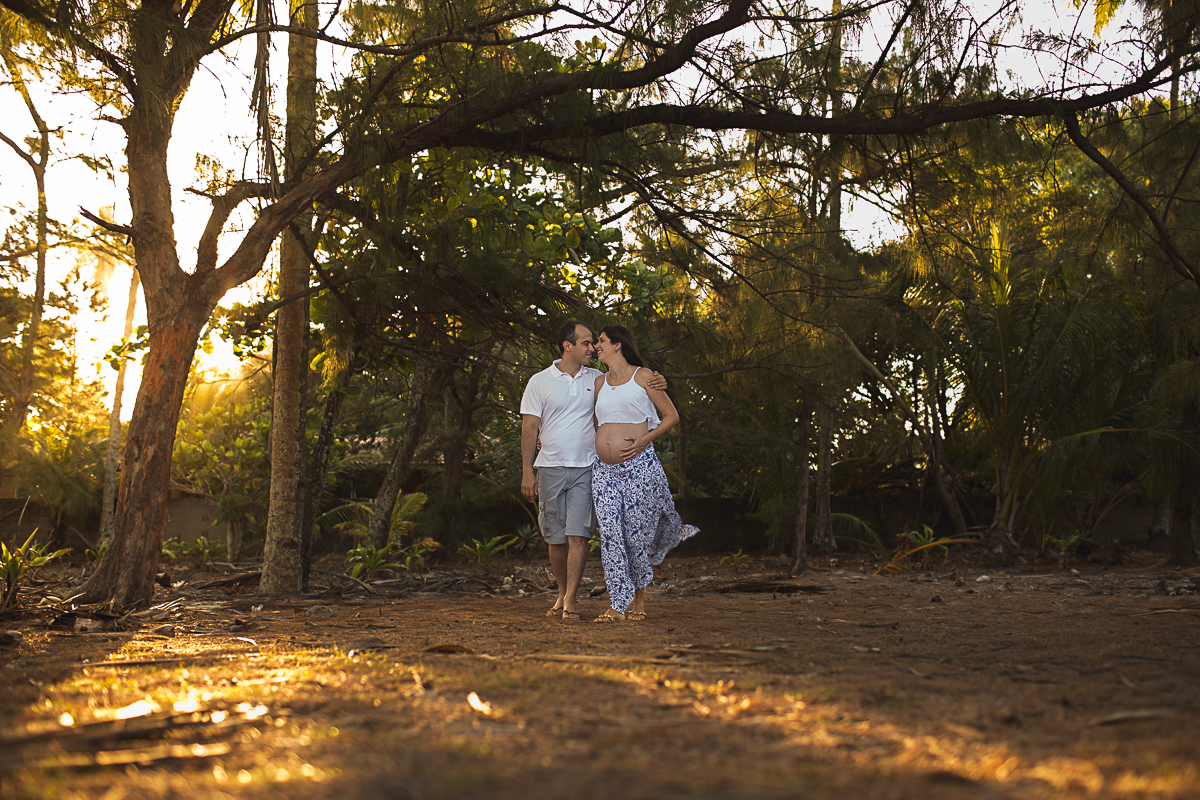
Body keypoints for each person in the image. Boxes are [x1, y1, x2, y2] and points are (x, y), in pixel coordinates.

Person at [520, 320, 665, 620]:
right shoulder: (539, 381)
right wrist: (527, 470)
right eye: (586, 342)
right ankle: (562, 593)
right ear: (567, 345)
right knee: (555, 538)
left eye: (595, 342)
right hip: (550, 466)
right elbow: (530, 426)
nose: (592, 347)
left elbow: (627, 385)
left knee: (579, 535)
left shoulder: (597, 377)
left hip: (589, 467)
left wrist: (657, 381)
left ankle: (571, 598)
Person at [590, 325, 698, 622]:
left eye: (601, 341)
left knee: (635, 536)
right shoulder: (599, 383)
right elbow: (589, 424)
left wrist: (645, 439)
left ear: (617, 345)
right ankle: (617, 603)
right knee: (610, 535)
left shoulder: (644, 376)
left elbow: (671, 416)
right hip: (604, 472)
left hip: (638, 467)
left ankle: (638, 600)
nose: (597, 346)